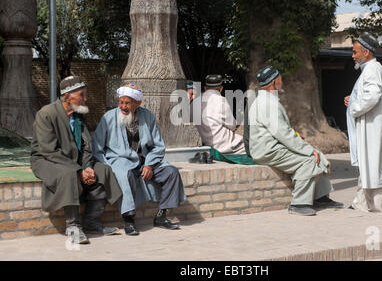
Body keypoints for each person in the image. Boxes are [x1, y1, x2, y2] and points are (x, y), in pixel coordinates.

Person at [31, 76, 122, 244]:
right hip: (46, 160)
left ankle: (92, 221)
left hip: (75, 161)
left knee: (103, 170)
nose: (85, 99)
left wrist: (87, 167)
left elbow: (87, 146)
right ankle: (73, 227)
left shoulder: (79, 115)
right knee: (69, 174)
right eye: (81, 95)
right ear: (67, 97)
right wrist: (79, 170)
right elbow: (48, 150)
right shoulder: (46, 114)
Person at [92, 84, 187, 236]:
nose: (123, 106)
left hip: (145, 160)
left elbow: (158, 145)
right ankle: (129, 220)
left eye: (127, 103)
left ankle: (161, 216)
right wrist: (107, 166)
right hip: (120, 160)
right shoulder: (109, 117)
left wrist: (149, 164)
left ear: (137, 103)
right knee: (125, 175)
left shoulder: (147, 116)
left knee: (171, 172)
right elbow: (96, 146)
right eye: (121, 102)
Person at [247, 66, 343, 216]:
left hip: (272, 146)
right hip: (268, 150)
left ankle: (321, 197)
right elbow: (283, 134)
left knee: (315, 153)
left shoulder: (265, 100)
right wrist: (308, 150)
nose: (282, 80)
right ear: (274, 82)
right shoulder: (267, 104)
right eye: (280, 78)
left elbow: (281, 131)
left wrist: (302, 142)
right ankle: (299, 203)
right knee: (310, 159)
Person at [344, 32, 382, 215]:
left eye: (355, 52)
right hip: (370, 126)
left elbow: (373, 95)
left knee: (371, 166)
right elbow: (367, 93)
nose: (353, 55)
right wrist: (354, 99)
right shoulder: (372, 69)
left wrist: (355, 107)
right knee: (368, 166)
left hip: (371, 127)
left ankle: (375, 208)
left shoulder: (372, 69)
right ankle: (360, 202)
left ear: (366, 52)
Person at [192, 74, 255, 164]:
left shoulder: (195, 102)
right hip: (225, 147)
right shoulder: (221, 100)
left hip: (208, 145)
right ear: (221, 88)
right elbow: (232, 126)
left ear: (205, 88)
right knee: (253, 146)